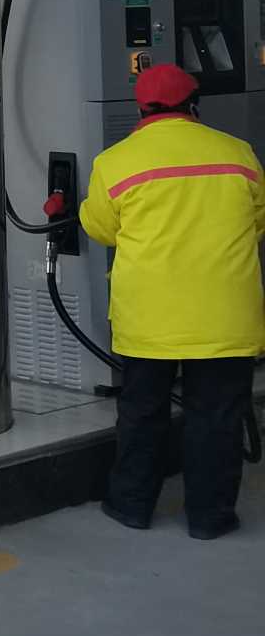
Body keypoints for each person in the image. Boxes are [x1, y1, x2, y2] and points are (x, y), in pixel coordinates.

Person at [79, 62, 265, 538]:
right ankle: (210, 518)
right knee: (217, 418)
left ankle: (131, 505)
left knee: (142, 413)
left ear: (141, 109)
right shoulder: (238, 154)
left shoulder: (115, 162)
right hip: (224, 317)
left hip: (149, 318)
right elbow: (258, 221)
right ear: (193, 104)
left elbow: (100, 228)